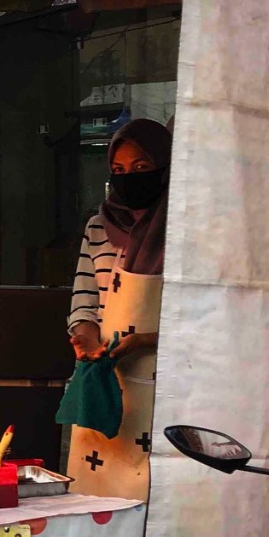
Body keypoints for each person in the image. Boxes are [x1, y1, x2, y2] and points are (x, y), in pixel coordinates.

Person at [65, 118, 171, 501]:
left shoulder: (181, 229)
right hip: (104, 374)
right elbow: (84, 297)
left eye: (142, 168)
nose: (130, 178)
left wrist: (145, 340)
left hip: (164, 381)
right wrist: (85, 337)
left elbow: (197, 316)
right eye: (119, 170)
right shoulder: (98, 226)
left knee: (151, 496)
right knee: (95, 489)